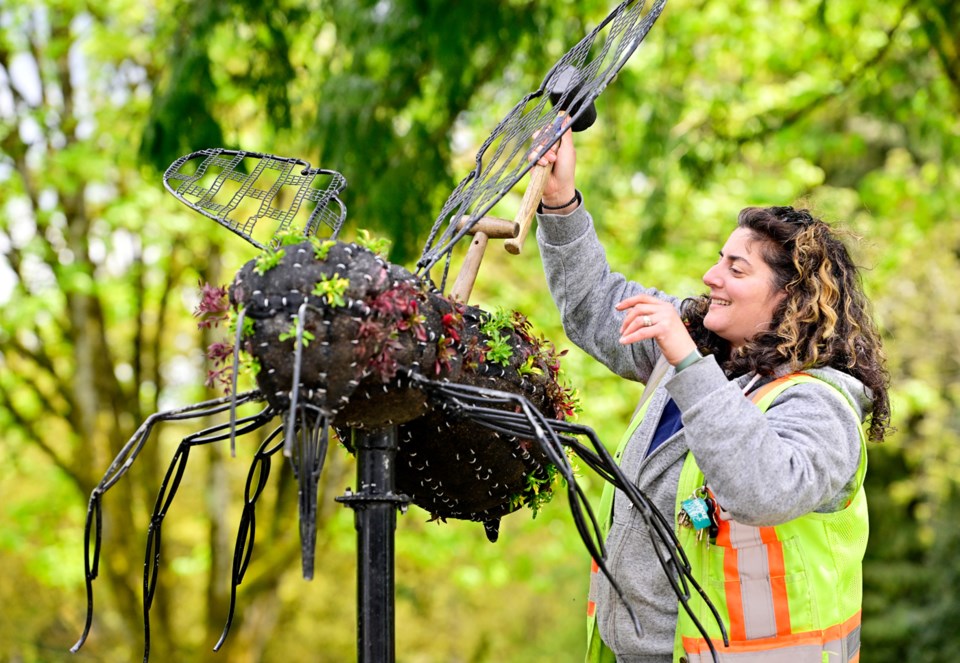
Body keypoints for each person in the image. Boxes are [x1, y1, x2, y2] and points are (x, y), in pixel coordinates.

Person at [532, 131, 891, 663]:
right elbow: (593, 303)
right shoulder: (699, 344)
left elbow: (761, 490)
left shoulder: (821, 403)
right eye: (718, 259)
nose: (710, 277)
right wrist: (559, 204)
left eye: (736, 269)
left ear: (790, 296)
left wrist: (685, 359)